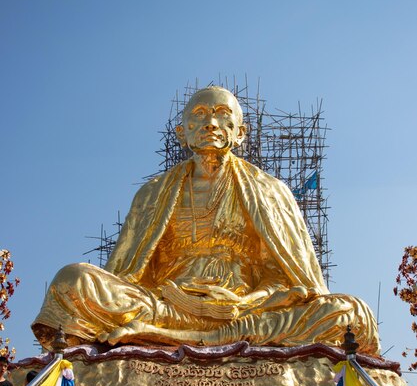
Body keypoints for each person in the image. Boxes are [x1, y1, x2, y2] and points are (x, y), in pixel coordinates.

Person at [32, 86, 380, 354]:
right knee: (72, 280)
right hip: (166, 305)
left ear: (240, 132)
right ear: (182, 132)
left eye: (221, 114)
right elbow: (128, 275)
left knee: (352, 314)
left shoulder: (271, 191)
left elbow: (292, 284)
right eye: (198, 115)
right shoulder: (152, 193)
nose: (210, 123)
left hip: (244, 311)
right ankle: (176, 332)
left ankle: (180, 337)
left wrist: (246, 302)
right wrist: (166, 301)